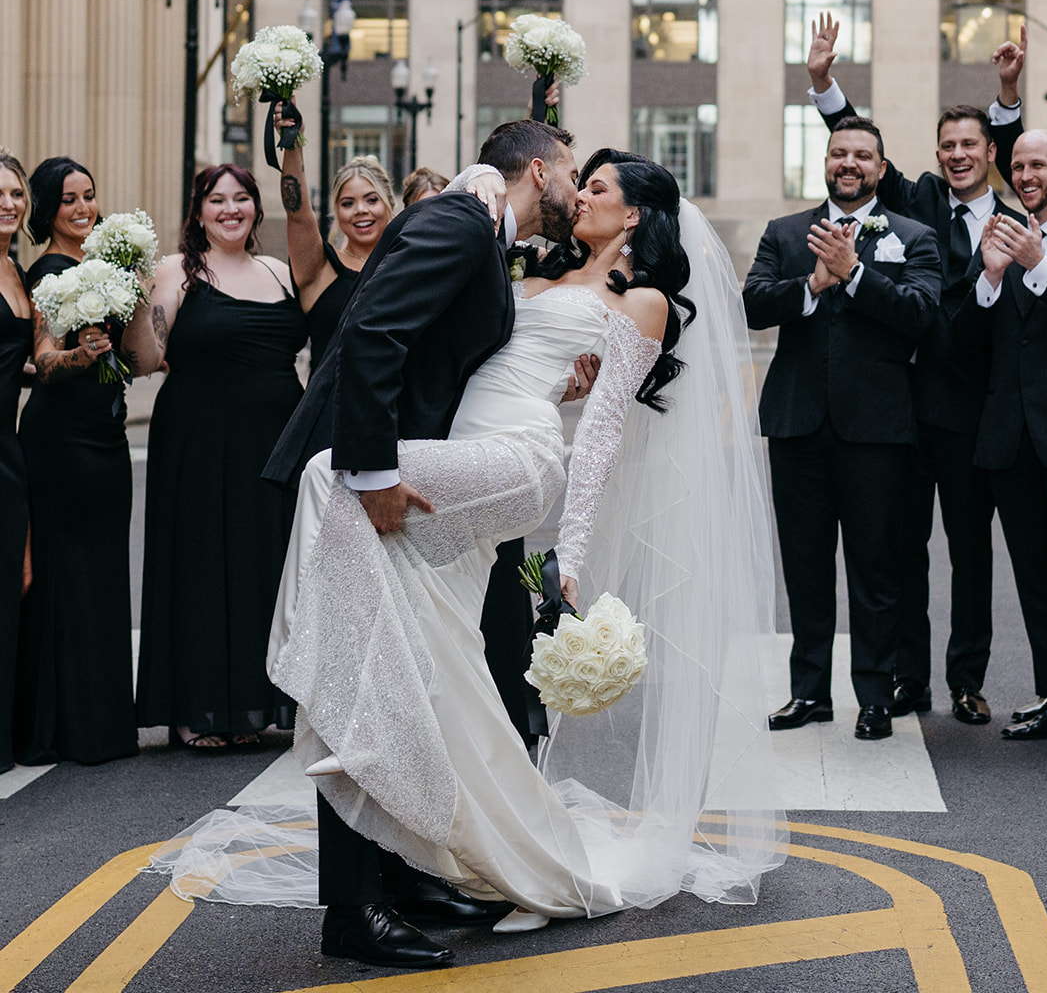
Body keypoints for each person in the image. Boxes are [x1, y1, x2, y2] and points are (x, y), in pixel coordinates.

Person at [157, 137, 780, 966]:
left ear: (634, 215)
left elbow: (593, 444)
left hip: (513, 463)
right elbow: (503, 353)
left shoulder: (643, 302)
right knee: (423, 668)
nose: (580, 193)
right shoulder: (525, 256)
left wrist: (569, 558)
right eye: (573, 177)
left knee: (331, 478)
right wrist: (555, 365)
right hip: (461, 456)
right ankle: (414, 858)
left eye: (597, 186)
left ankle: (319, 676)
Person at [805, 13, 1027, 724]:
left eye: (969, 145)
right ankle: (910, 678)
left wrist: (1005, 90)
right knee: (900, 552)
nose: (957, 155)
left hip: (974, 415)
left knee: (970, 556)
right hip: (904, 410)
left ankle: (966, 680)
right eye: (946, 147)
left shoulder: (1018, 214)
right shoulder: (920, 201)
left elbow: (1026, 153)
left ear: (990, 151)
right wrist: (822, 85)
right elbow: (861, 157)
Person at [743, 117, 941, 741]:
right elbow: (751, 304)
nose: (848, 163)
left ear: (881, 168)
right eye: (838, 153)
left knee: (875, 568)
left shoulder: (914, 236)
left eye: (862, 155)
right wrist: (810, 283)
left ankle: (876, 696)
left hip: (877, 428)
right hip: (797, 422)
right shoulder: (786, 232)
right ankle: (809, 694)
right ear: (825, 162)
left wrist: (855, 274)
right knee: (804, 566)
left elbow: (919, 315)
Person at [126, 166, 307, 751]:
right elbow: (144, 360)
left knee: (266, 565)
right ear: (198, 212)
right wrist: (131, 300)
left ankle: (261, 699)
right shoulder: (176, 273)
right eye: (217, 200)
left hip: (275, 444)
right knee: (201, 567)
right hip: (200, 443)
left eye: (242, 199)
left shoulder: (280, 273)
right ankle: (197, 709)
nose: (231, 210)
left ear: (256, 207)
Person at [14, 158, 137, 766]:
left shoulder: (107, 269)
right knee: (65, 579)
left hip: (107, 439)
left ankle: (105, 723)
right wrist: (81, 355)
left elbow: (137, 357)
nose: (83, 208)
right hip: (60, 442)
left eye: (89, 196)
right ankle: (62, 727)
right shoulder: (48, 273)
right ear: (47, 210)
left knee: (103, 577)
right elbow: (45, 357)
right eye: (68, 200)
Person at [954, 131, 1047, 752]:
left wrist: (1039, 265)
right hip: (1010, 441)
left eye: (1038, 165)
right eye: (1018, 164)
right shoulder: (997, 237)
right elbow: (964, 344)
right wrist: (991, 279)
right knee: (1037, 580)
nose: (1026, 174)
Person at [274, 105, 396, 373]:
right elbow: (297, 214)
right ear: (337, 212)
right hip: (330, 408)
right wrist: (293, 142)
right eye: (348, 203)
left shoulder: (407, 266)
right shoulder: (320, 269)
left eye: (371, 199)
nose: (361, 210)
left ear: (389, 204)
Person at [0, 151, 32, 773]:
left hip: (9, 442)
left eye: (15, 194)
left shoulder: (15, 269)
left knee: (12, 584)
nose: (8, 203)